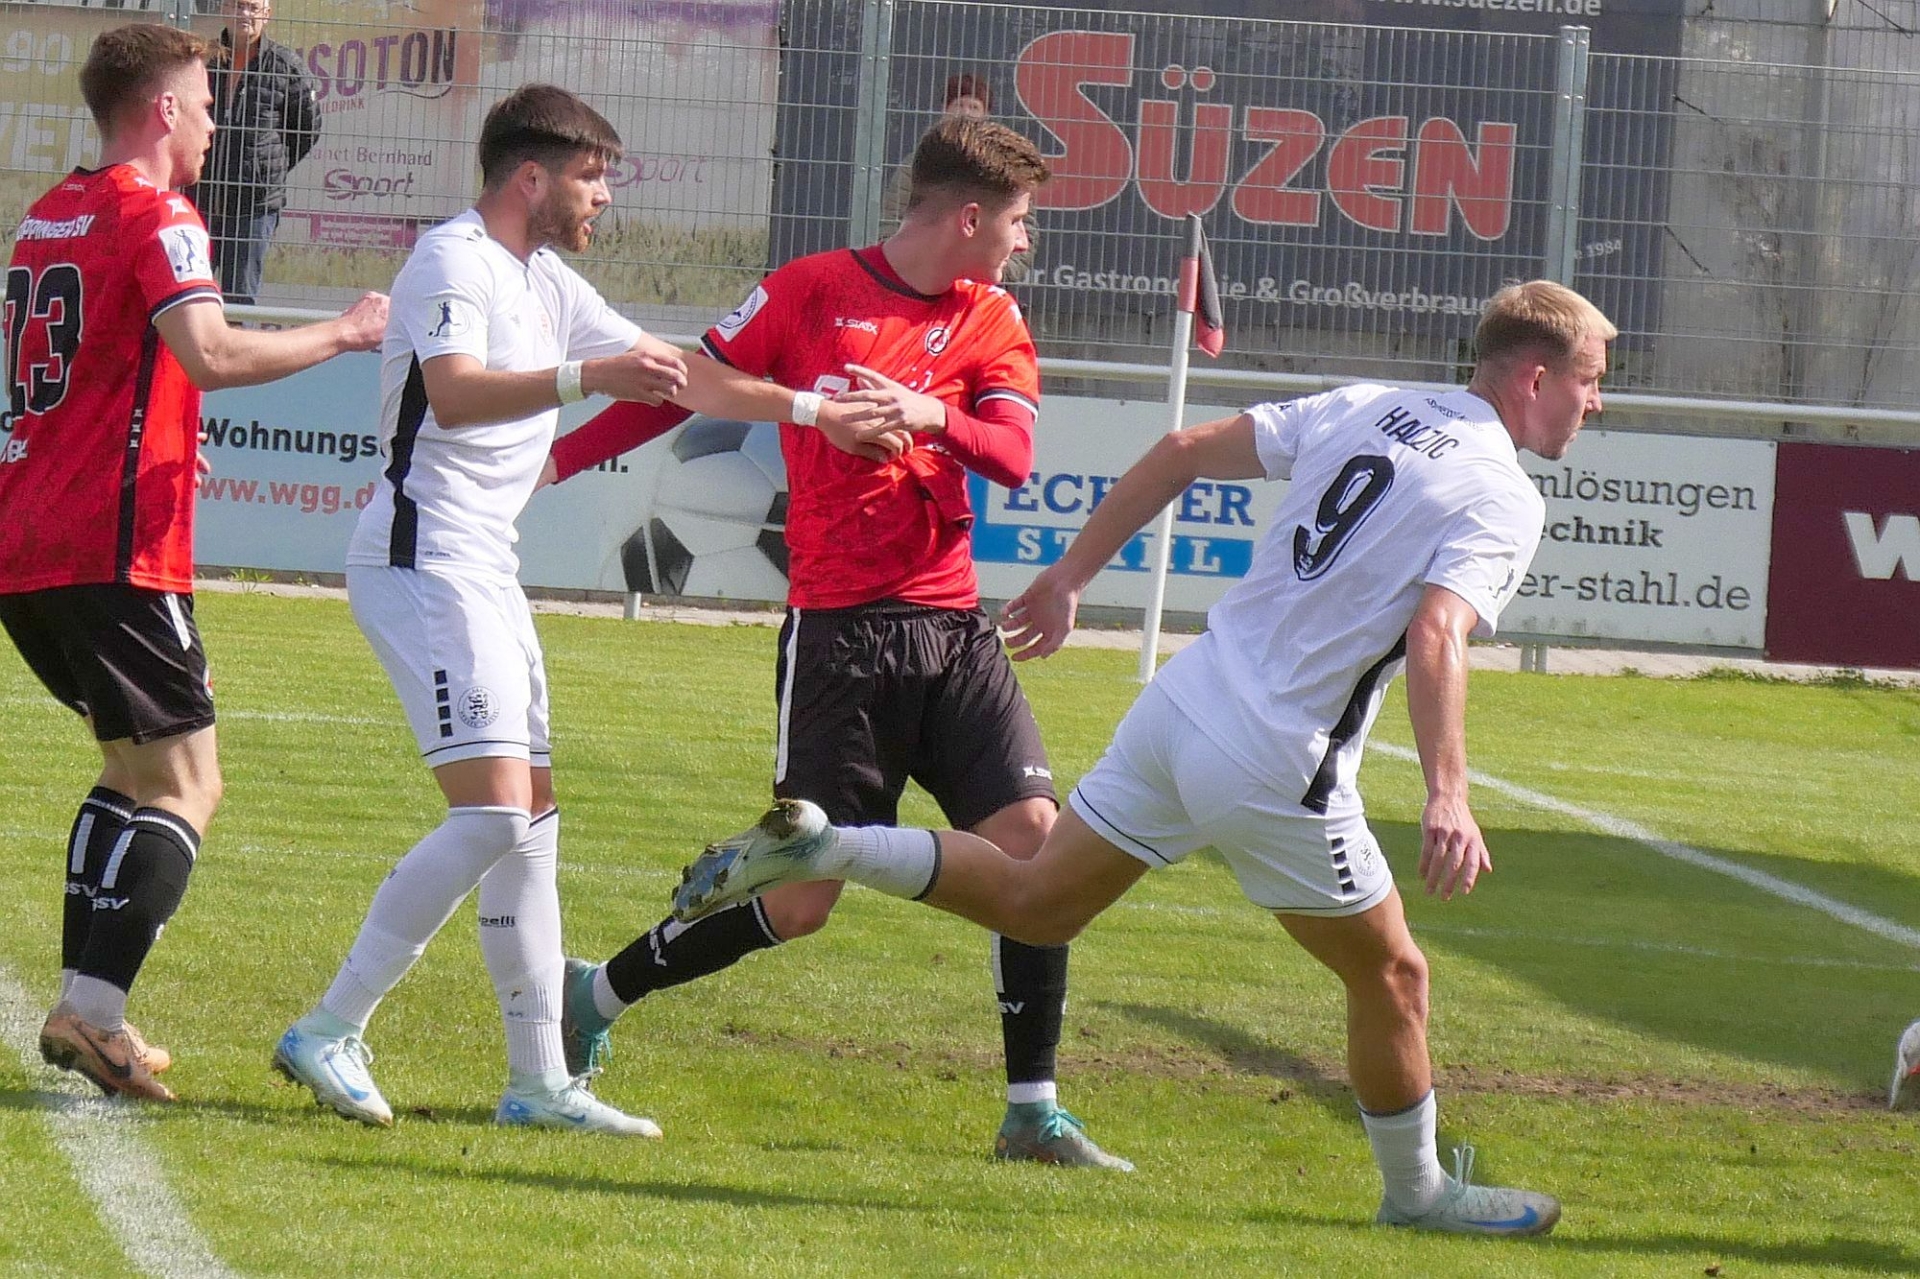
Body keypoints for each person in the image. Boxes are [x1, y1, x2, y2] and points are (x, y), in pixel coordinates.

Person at [670, 279, 1617, 1234]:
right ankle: (1417, 1194)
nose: (1597, 402)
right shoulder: (1502, 492)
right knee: (1394, 973)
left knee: (1037, 904)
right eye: (1589, 380)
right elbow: (1438, 632)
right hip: (1277, 761)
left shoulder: (1371, 404)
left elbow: (1183, 449)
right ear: (1536, 379)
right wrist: (1448, 793)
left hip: (1184, 700)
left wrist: (1070, 575)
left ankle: (828, 844)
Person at [541, 115, 1130, 1168]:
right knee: (803, 900)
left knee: (1035, 852)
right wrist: (560, 461)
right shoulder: (812, 290)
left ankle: (1031, 1110)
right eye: (1019, 221)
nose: (1025, 240)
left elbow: (1011, 455)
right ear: (968, 216)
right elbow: (690, 384)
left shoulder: (992, 315)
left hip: (954, 631)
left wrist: (928, 414)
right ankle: (598, 992)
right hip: (841, 638)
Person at [270, 84, 694, 1135]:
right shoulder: (451, 258)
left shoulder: (546, 277)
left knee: (531, 823)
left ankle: (539, 1081)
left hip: (485, 569)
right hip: (422, 559)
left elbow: (684, 378)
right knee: (497, 813)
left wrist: (817, 403)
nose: (604, 196)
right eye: (591, 175)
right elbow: (455, 393)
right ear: (531, 177)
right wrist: (589, 375)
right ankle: (329, 1025)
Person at [0, 23, 386, 1102]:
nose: (216, 123)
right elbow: (209, 351)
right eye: (208, 103)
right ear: (163, 108)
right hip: (114, 547)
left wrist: (164, 427)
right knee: (190, 780)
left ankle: (88, 1006)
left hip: (29, 537)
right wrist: (346, 332)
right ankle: (94, 1012)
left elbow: (97, 369)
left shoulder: (47, 213)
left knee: (129, 771)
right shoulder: (159, 212)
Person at [191, 0, 320, 303]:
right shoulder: (202, 60)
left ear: (267, 14)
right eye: (237, 6)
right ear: (223, 9)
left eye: (252, 7)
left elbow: (305, 131)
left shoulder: (287, 66)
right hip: (199, 200)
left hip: (253, 206)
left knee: (241, 301)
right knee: (190, 298)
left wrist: (265, 167)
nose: (244, 14)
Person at [880, 75, 1033, 282]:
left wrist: (993, 272)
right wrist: (913, 268)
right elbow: (890, 219)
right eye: (959, 105)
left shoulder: (1006, 167)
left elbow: (1025, 231)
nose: (965, 113)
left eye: (974, 107)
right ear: (944, 109)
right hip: (921, 279)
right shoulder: (916, 165)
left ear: (986, 115)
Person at [1893, 1019, 1920, 1110]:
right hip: (1910, 1055)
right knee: (1903, 1075)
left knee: (1904, 1074)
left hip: (1911, 1051)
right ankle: (1896, 1104)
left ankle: (1896, 1103)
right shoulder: (1913, 1033)